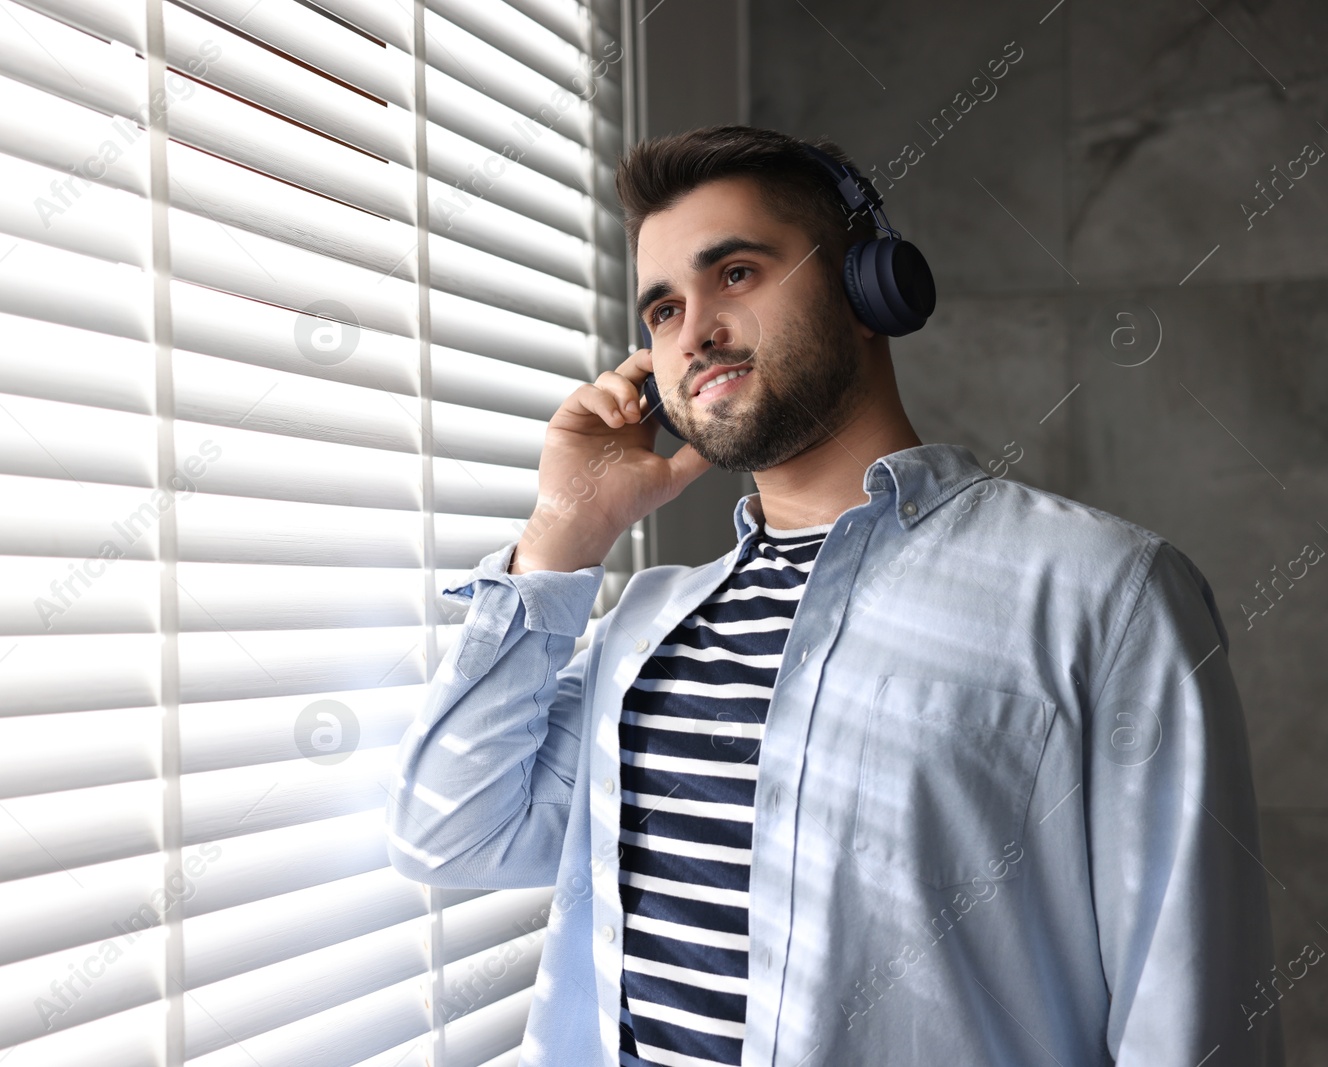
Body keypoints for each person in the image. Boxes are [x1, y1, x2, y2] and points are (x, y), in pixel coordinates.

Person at [384, 125, 1280, 1067]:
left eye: (734, 273)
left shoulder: (1107, 596)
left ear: (867, 287)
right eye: (660, 311)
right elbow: (449, 834)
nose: (693, 331)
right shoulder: (644, 629)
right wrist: (562, 535)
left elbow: (1190, 1011)